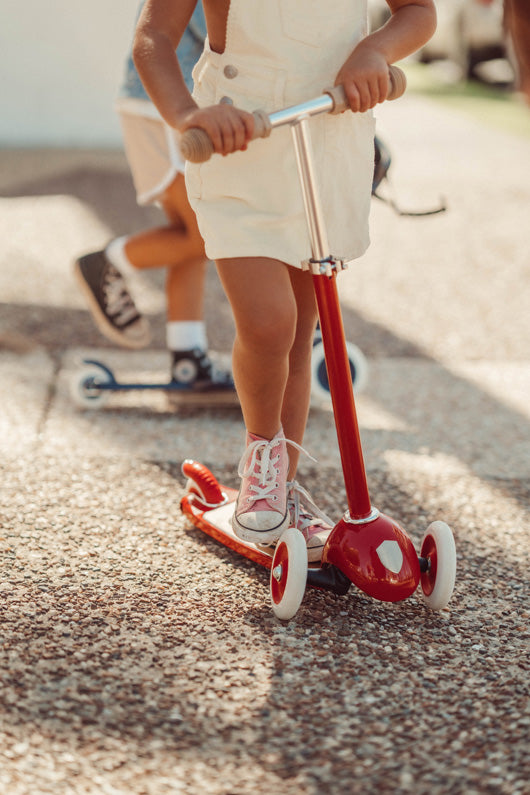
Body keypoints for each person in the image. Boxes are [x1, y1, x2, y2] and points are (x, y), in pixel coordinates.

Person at [133, 0, 437, 561]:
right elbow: (153, 37)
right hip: (239, 140)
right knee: (270, 323)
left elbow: (418, 11)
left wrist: (374, 50)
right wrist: (185, 115)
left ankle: (284, 483)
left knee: (301, 336)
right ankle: (262, 463)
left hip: (326, 139)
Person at [75, 1, 234, 394]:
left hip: (164, 102)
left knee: (189, 236)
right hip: (165, 105)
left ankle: (186, 355)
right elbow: (226, 34)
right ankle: (108, 262)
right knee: (202, 235)